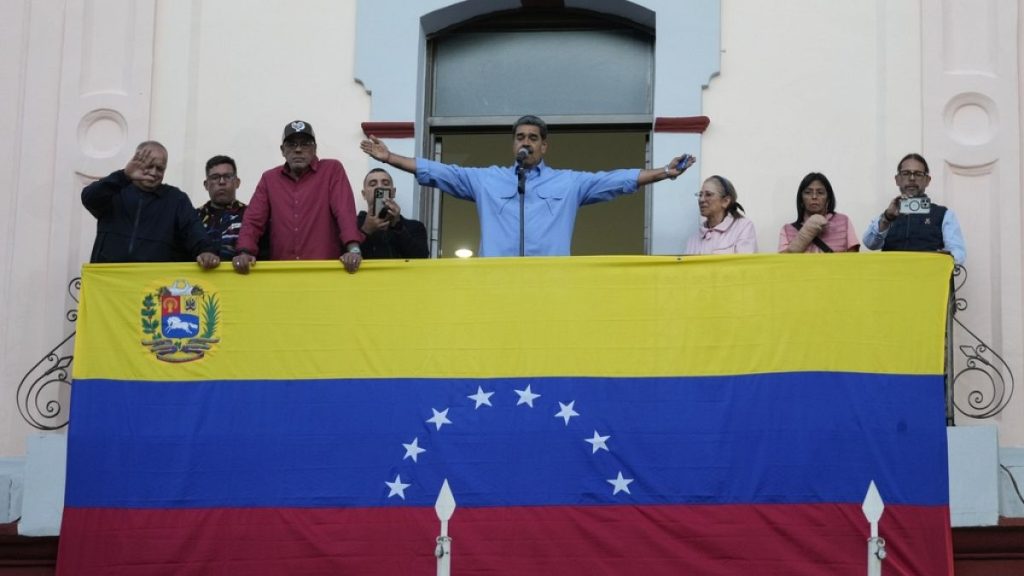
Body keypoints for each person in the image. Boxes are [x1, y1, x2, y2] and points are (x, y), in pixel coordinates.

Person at [360, 115, 695, 257]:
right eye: (520, 137)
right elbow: (439, 171)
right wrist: (390, 158)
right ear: (513, 144)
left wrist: (663, 171)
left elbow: (616, 180)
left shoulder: (567, 183)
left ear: (544, 146)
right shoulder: (487, 179)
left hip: (550, 285)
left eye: (533, 138)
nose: (527, 142)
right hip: (495, 285)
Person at [232, 121, 364, 274]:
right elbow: (253, 220)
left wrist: (353, 248)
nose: (298, 149)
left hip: (325, 271)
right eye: (292, 144)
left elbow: (344, 211)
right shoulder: (270, 179)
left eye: (305, 144)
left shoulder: (332, 170)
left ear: (314, 149)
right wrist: (244, 252)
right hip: (282, 272)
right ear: (282, 150)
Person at [81, 141, 219, 268]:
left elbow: (193, 230)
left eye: (159, 168)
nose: (153, 172)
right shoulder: (116, 190)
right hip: (108, 282)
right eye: (148, 166)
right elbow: (88, 197)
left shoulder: (176, 199)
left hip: (153, 285)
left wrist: (206, 251)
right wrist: (124, 176)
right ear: (136, 163)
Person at [862, 153, 966, 265]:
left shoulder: (943, 214)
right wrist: (887, 218)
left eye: (918, 174)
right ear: (897, 179)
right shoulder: (889, 214)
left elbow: (959, 253)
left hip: (928, 278)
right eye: (906, 173)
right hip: (892, 279)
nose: (912, 178)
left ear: (927, 180)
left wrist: (939, 259)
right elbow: (869, 244)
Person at [778, 172, 859, 253]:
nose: (814, 197)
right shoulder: (787, 229)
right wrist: (807, 232)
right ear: (801, 199)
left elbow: (853, 259)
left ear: (828, 198)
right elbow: (782, 262)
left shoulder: (843, 221)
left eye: (820, 192)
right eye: (808, 192)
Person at [357, 168, 429, 259]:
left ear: (393, 192)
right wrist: (365, 231)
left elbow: (421, 258)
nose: (380, 187)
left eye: (385, 183)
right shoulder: (352, 226)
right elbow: (343, 257)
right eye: (373, 184)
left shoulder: (415, 227)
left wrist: (398, 226)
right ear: (364, 194)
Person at [684, 175, 757, 255]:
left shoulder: (743, 227)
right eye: (700, 195)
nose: (701, 199)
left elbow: (744, 265)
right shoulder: (693, 239)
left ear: (725, 201)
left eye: (708, 194)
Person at [197, 155, 248, 260]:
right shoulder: (194, 217)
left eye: (227, 176)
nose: (221, 182)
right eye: (215, 177)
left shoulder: (250, 215)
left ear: (237, 182)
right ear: (206, 185)